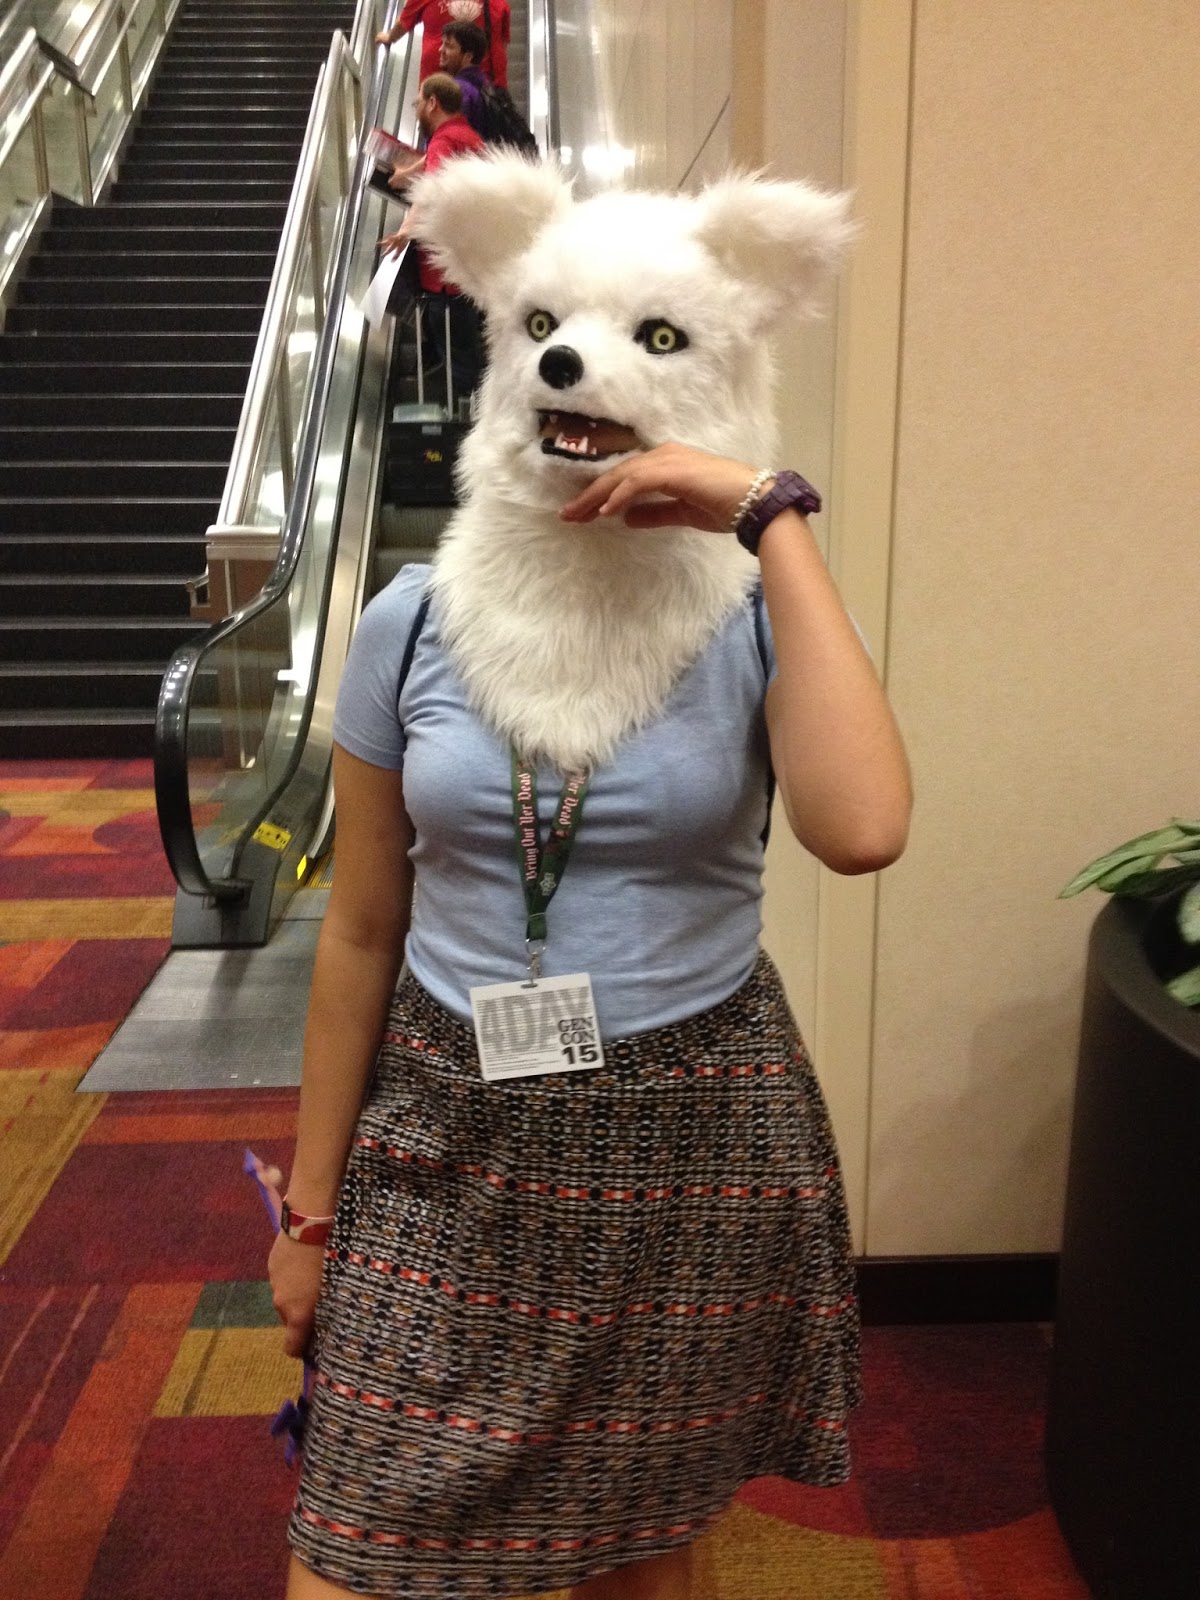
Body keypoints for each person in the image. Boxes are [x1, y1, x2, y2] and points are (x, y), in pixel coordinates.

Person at [270, 156, 913, 1600]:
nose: (575, 362)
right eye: (545, 327)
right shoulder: (410, 621)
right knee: (349, 1547)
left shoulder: (762, 613)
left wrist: (771, 514)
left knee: (634, 1553)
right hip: (448, 1125)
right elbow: (360, 928)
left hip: (692, 1137)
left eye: (655, 337)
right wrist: (309, 1214)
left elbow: (864, 826)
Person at [379, 74, 485, 399]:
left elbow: (433, 191)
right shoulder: (468, 136)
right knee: (467, 353)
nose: (416, 110)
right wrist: (408, 173)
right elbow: (434, 164)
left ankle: (464, 413)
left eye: (418, 103)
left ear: (432, 103)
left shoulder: (442, 140)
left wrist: (405, 231)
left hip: (444, 279)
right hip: (469, 270)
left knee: (460, 366)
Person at [376, 0, 510, 90]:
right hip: (483, 85)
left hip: (438, 86)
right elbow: (502, 43)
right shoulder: (498, 3)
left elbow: (404, 22)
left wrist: (390, 37)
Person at [438, 18, 490, 137]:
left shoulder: (459, 91)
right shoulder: (483, 85)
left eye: (448, 46)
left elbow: (450, 138)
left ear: (468, 57)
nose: (440, 49)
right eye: (442, 44)